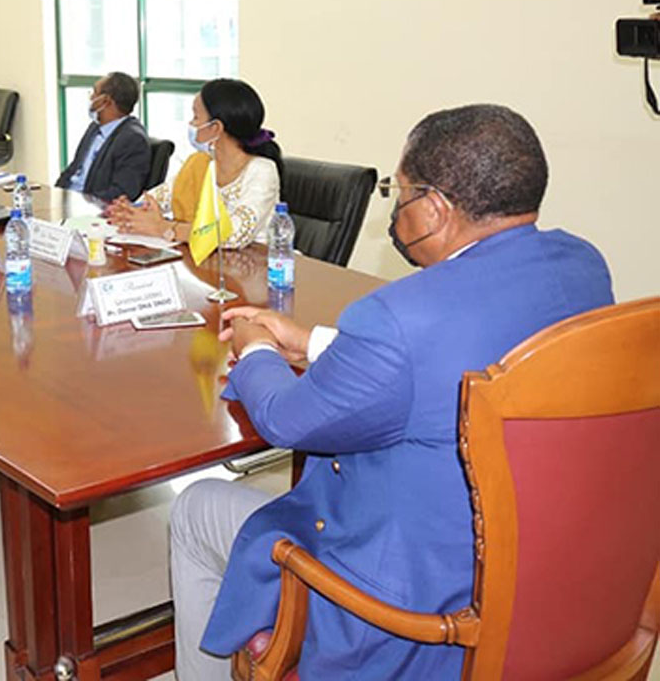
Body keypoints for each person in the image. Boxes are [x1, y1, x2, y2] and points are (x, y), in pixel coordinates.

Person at [168, 104, 614, 679]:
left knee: (197, 507)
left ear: (435, 208)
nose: (395, 210)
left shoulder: (399, 317)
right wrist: (315, 342)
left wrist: (256, 348)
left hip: (411, 618)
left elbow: (285, 418)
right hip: (543, 580)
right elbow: (460, 354)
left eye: (398, 193)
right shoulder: (581, 266)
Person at [106, 79, 281, 248]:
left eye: (196, 117)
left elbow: (232, 234)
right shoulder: (200, 163)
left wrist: (164, 228)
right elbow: (157, 198)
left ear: (215, 128)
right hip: (201, 261)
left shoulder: (262, 171)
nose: (191, 124)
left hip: (253, 263)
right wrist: (129, 211)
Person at [54, 72, 151, 201]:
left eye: (95, 93)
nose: (91, 98)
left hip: (91, 207)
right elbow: (73, 169)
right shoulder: (94, 128)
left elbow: (122, 192)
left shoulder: (133, 140)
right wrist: (55, 195)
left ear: (106, 101)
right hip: (68, 200)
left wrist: (80, 203)